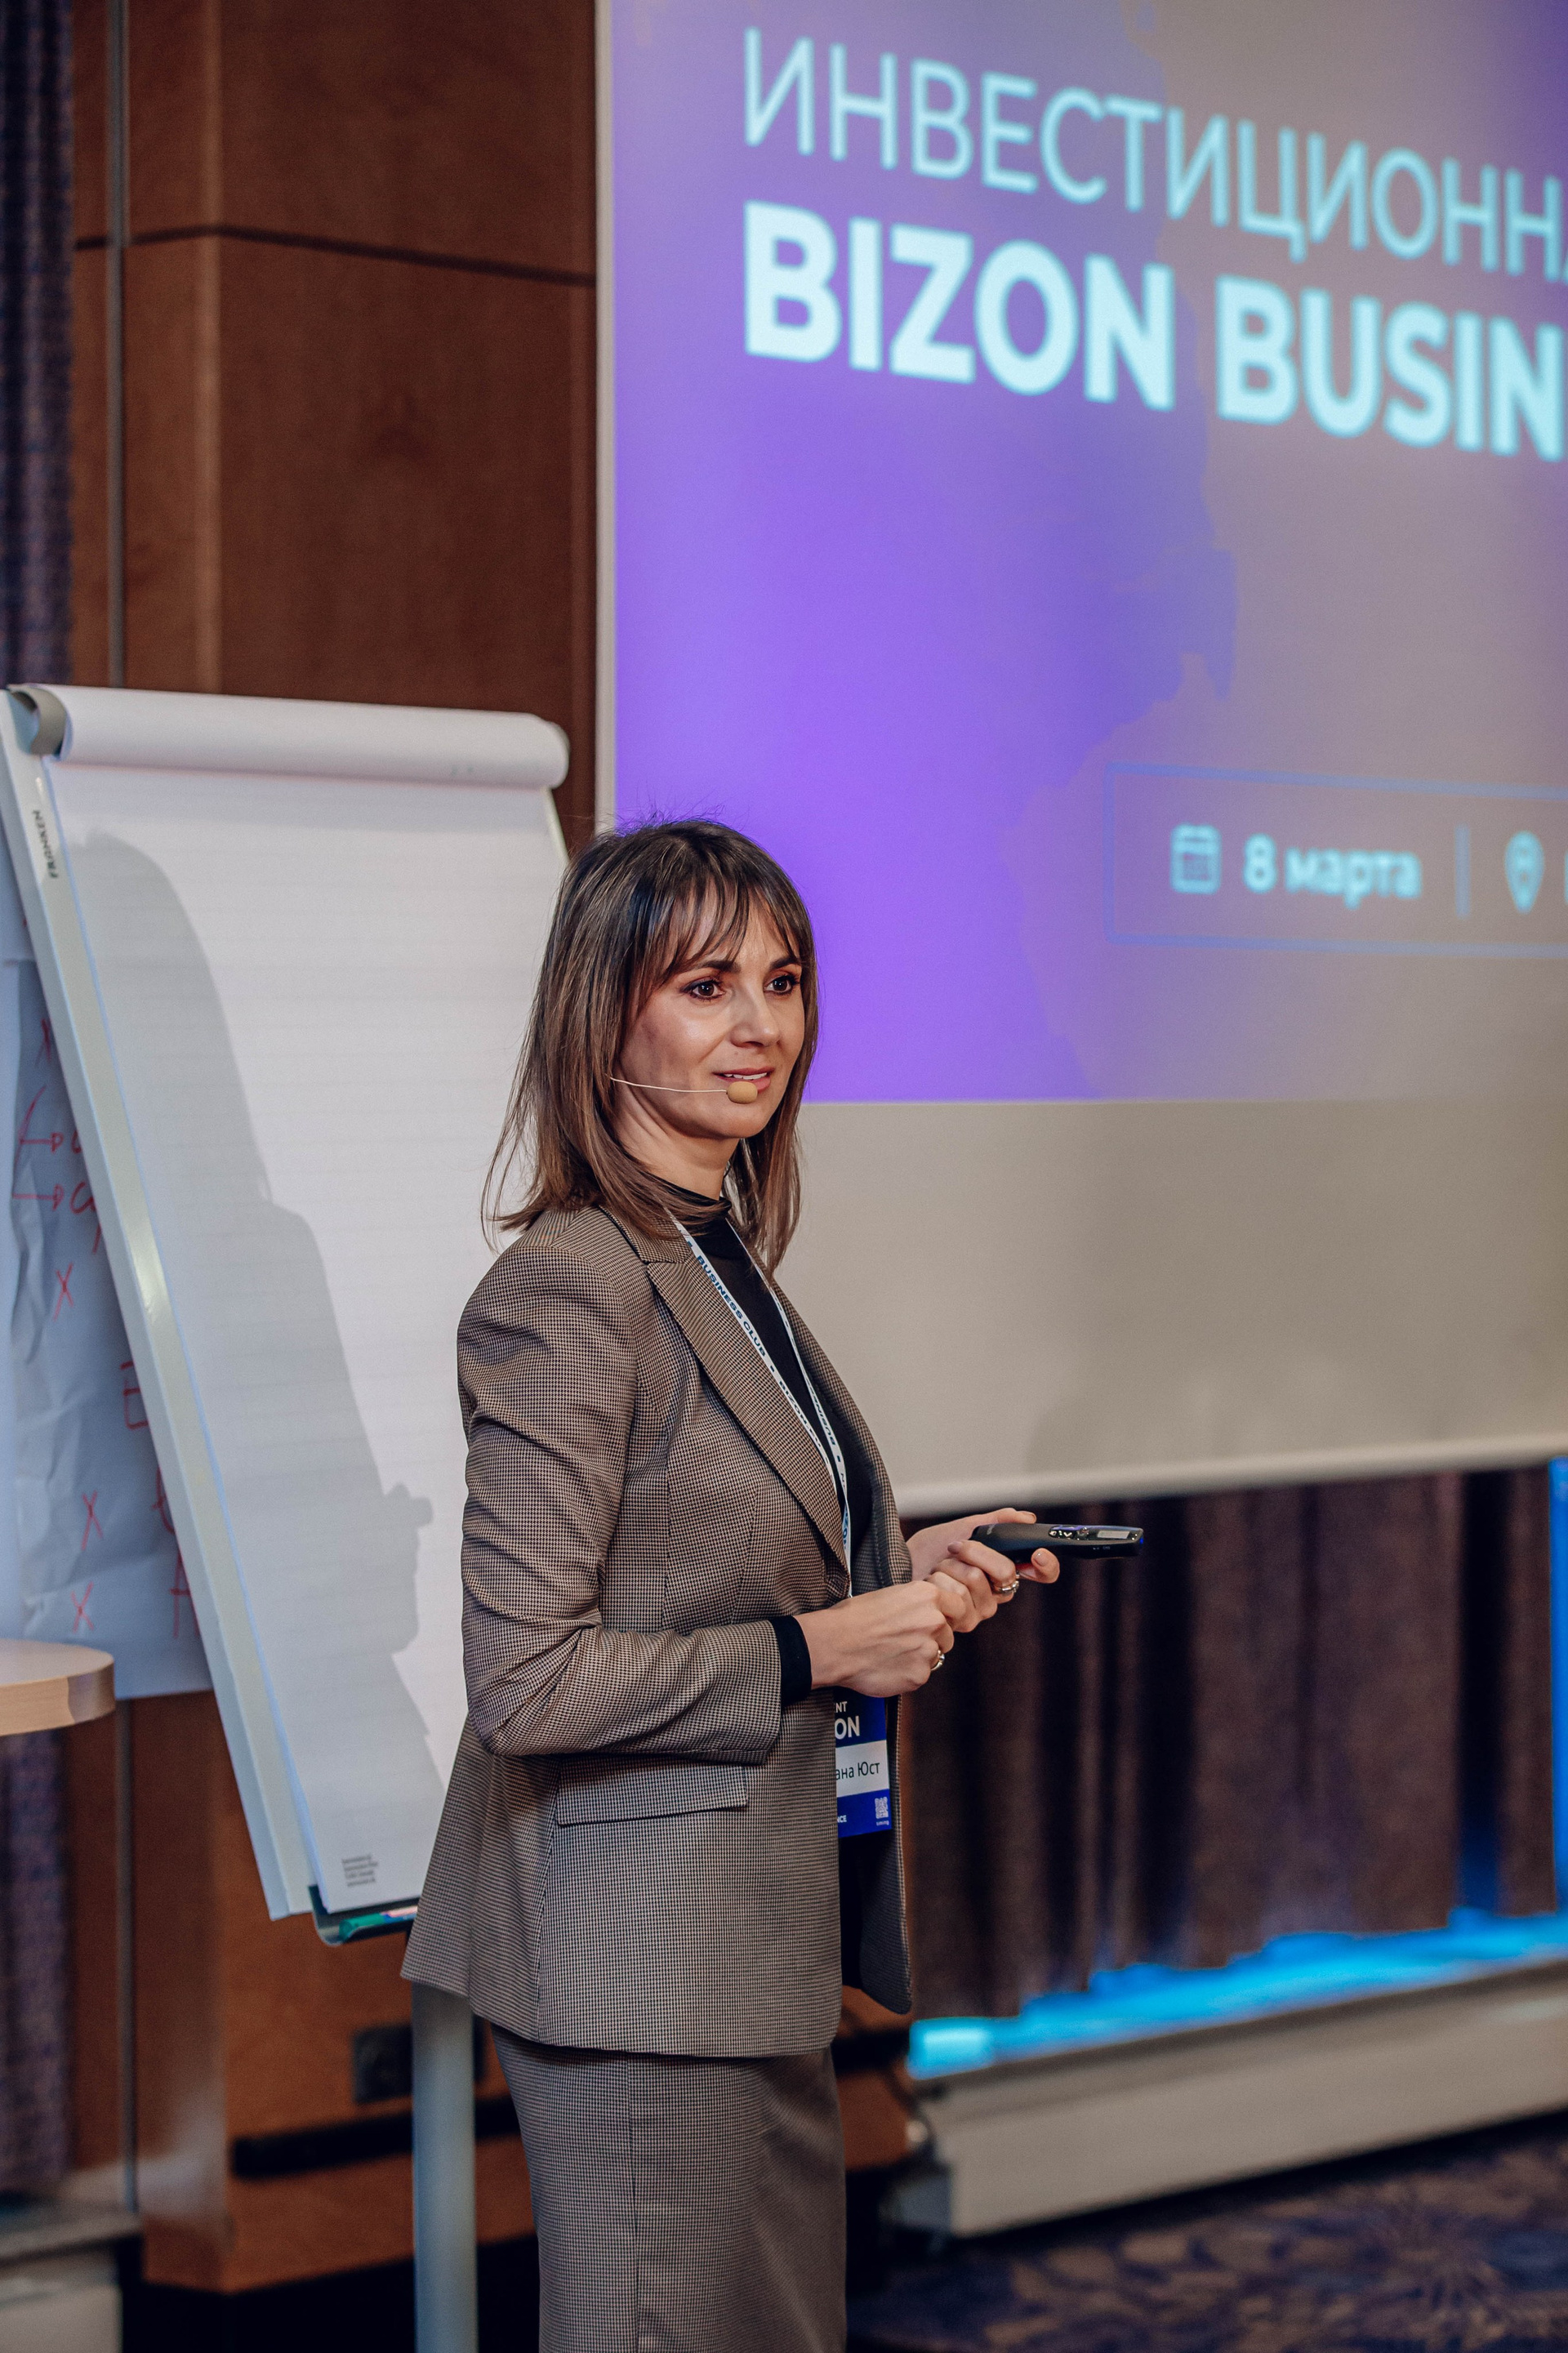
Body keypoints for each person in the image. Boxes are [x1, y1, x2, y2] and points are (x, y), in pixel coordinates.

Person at [403, 820, 1058, 2351]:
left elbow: (700, 1559)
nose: (758, 1023)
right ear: (605, 1014)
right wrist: (822, 1644)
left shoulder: (714, 1252)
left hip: (748, 1937)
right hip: (637, 1970)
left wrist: (902, 1576)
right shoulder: (571, 1285)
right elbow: (526, 1681)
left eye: (782, 980)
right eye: (705, 985)